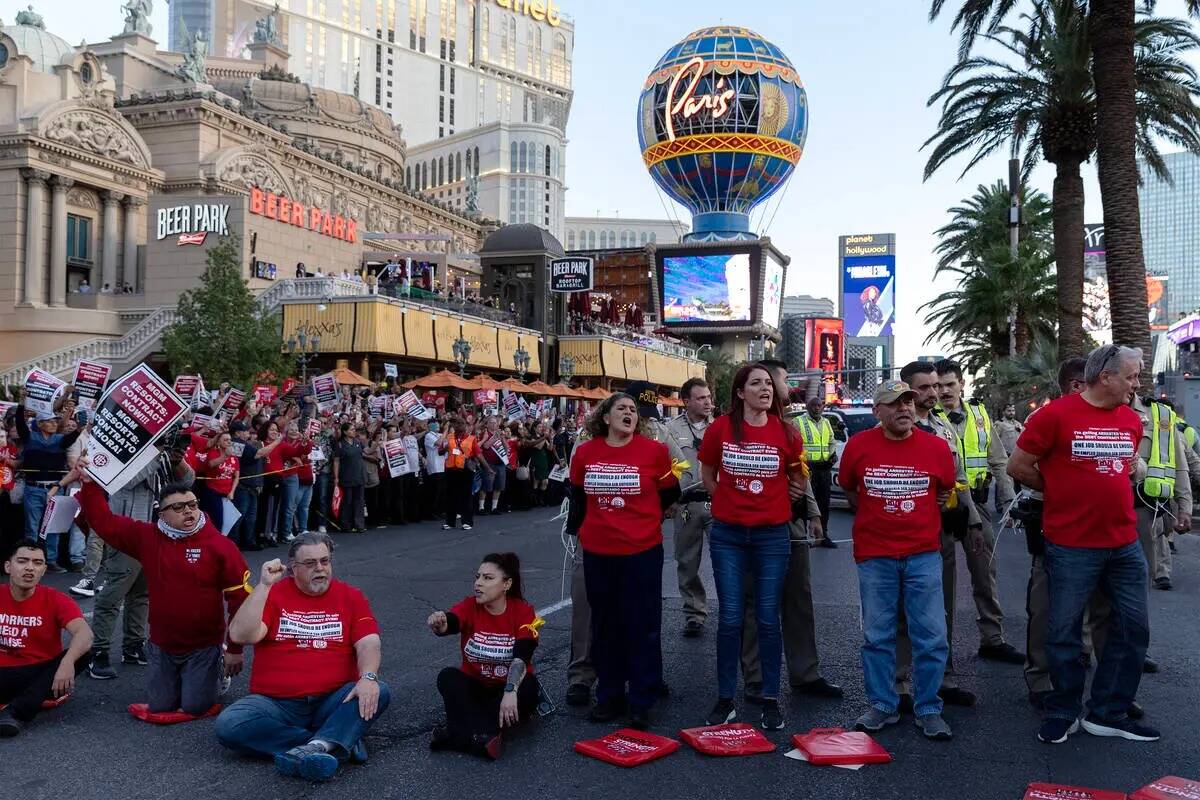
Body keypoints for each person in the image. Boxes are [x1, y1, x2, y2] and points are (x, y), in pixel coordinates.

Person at [1007, 345, 1160, 744]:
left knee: (1133, 629)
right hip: (1071, 544)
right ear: (1105, 377)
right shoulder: (1053, 416)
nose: (1137, 383)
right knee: (1063, 632)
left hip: (1124, 543)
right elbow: (1018, 466)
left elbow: (1124, 472)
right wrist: (1059, 490)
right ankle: (1063, 709)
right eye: (1131, 376)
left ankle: (1108, 711)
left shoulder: (1130, 420)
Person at [75, 470, 250, 716]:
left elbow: (240, 601)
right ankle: (186, 679)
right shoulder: (147, 537)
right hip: (162, 644)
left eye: (192, 504)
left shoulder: (221, 546)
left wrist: (235, 649)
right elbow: (104, 522)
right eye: (178, 507)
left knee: (193, 707)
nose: (188, 511)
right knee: (161, 707)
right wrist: (89, 483)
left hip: (203, 645)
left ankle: (216, 668)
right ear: (162, 514)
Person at [216, 533, 388, 782]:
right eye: (310, 564)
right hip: (276, 703)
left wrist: (368, 677)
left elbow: (369, 643)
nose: (319, 569)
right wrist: (263, 585)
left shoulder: (351, 596)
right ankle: (332, 742)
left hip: (333, 699)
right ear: (292, 568)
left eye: (325, 561)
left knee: (378, 690)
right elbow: (241, 634)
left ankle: (324, 742)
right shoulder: (273, 593)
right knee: (229, 725)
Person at [840, 380, 956, 740]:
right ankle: (883, 705)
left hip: (923, 556)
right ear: (878, 411)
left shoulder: (936, 448)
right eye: (894, 403)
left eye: (908, 401)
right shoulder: (858, 446)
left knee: (932, 637)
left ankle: (928, 707)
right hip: (875, 557)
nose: (905, 408)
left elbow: (945, 489)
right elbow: (850, 489)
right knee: (877, 636)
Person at [698, 364, 807, 731]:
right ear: (740, 392)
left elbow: (797, 477)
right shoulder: (721, 428)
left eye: (768, 384)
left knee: (766, 617)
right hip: (728, 535)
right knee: (729, 618)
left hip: (772, 537)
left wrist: (782, 500)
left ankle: (770, 699)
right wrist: (729, 503)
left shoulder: (787, 433)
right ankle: (726, 698)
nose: (765, 388)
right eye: (756, 383)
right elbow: (708, 475)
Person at [567, 393, 679, 730]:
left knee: (641, 624)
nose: (629, 413)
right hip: (599, 552)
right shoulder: (586, 453)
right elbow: (578, 497)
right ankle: (610, 695)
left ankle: (641, 699)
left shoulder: (654, 452)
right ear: (605, 418)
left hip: (641, 552)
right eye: (621, 409)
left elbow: (669, 493)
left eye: (633, 410)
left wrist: (642, 519)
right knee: (605, 625)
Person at [738, 360, 840, 705]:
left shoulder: (789, 429)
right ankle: (755, 678)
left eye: (776, 380)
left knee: (799, 599)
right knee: (755, 603)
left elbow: (801, 475)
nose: (780, 384)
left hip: (790, 526)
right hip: (753, 527)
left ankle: (805, 673)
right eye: (778, 378)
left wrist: (812, 513)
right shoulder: (733, 429)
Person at [894, 360, 983, 709]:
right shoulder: (895, 425)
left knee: (941, 610)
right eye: (925, 388)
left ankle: (942, 679)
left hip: (942, 532)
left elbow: (959, 478)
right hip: (902, 534)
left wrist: (972, 522)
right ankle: (898, 683)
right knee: (901, 610)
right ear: (906, 390)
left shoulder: (944, 427)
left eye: (935, 387)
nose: (934, 393)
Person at [933, 360, 1023, 664]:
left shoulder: (979, 414)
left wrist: (1007, 500)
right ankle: (940, 647)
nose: (944, 391)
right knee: (942, 580)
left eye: (949, 384)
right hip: (943, 508)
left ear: (961, 384)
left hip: (979, 506)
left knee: (985, 574)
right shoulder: (928, 418)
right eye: (939, 385)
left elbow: (999, 460)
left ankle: (992, 638)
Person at [87, 438, 193, 681]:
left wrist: (177, 461)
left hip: (153, 534)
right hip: (126, 533)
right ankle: (99, 651)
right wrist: (155, 455)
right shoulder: (121, 452)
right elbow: (126, 481)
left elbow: (186, 483)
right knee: (114, 593)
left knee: (142, 593)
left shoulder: (159, 456)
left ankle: (133, 645)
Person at [427, 553, 540, 760]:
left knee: (530, 687)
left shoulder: (523, 612)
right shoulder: (470, 606)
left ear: (507, 584)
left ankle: (460, 733)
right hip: (478, 687)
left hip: (508, 692)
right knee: (448, 677)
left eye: (488, 578)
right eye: (477, 577)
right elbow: (452, 621)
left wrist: (510, 690)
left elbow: (522, 656)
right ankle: (484, 736)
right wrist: (440, 623)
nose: (478, 583)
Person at [0, 540, 93, 737]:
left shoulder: (56, 599)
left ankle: (14, 713)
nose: (30, 568)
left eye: (37, 563)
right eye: (23, 561)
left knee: (84, 653)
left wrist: (67, 662)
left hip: (40, 677)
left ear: (43, 570)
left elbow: (84, 634)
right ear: (8, 566)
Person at [663, 378, 714, 638]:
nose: (708, 402)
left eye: (708, 397)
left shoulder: (721, 427)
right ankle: (695, 613)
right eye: (701, 398)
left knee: (728, 561)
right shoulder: (669, 429)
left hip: (717, 503)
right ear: (686, 401)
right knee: (686, 562)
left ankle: (734, 611)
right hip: (686, 505)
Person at [14, 399, 82, 565]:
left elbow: (72, 438)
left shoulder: (60, 440)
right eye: (50, 421)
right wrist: (21, 404)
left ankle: (50, 560)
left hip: (55, 489)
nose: (53, 423)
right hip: (33, 489)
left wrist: (80, 427)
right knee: (32, 527)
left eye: (55, 421)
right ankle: (30, 560)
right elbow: (20, 424)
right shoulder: (30, 437)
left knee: (53, 527)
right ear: (40, 424)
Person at [795, 393, 837, 548]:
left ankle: (823, 535)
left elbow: (831, 441)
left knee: (824, 503)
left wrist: (831, 455)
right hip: (807, 468)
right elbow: (794, 443)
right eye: (814, 405)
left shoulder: (826, 422)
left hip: (824, 468)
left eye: (819, 405)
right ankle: (805, 537)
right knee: (805, 503)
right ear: (808, 407)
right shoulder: (798, 421)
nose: (817, 408)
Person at [441, 419, 482, 531]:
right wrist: (444, 448)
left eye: (462, 424)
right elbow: (440, 452)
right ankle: (450, 522)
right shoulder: (449, 437)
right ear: (454, 425)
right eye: (458, 424)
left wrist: (487, 468)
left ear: (466, 426)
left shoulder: (471, 438)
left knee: (466, 497)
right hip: (451, 470)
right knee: (450, 497)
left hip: (466, 471)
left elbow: (478, 454)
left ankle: (467, 522)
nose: (459, 426)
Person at [333, 422, 367, 533]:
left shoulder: (358, 442)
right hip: (346, 476)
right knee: (347, 501)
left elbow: (367, 452)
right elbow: (336, 461)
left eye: (354, 429)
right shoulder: (340, 444)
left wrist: (378, 443)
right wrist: (336, 477)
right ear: (345, 432)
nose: (354, 431)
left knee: (359, 501)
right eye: (351, 430)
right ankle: (345, 524)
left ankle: (359, 525)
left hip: (359, 475)